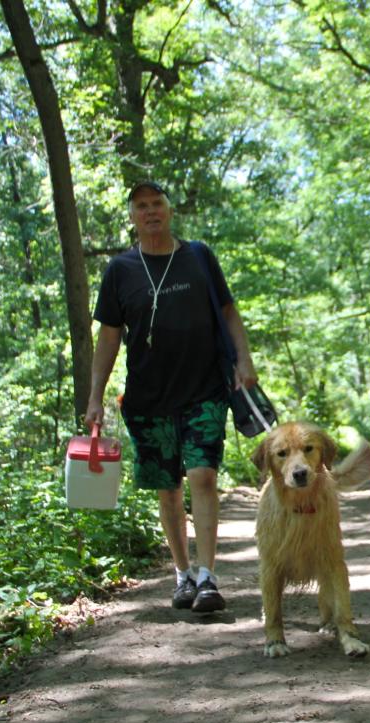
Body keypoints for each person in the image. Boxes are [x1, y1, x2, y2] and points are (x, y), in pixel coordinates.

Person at [85, 181, 257, 613]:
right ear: (132, 216)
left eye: (157, 203)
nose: (150, 211)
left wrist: (244, 359)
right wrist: (94, 396)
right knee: (168, 489)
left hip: (205, 390)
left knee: (203, 476)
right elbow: (107, 339)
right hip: (147, 399)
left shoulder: (198, 257)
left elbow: (228, 312)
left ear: (170, 210)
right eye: (141, 206)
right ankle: (182, 576)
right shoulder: (120, 271)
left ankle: (208, 576)